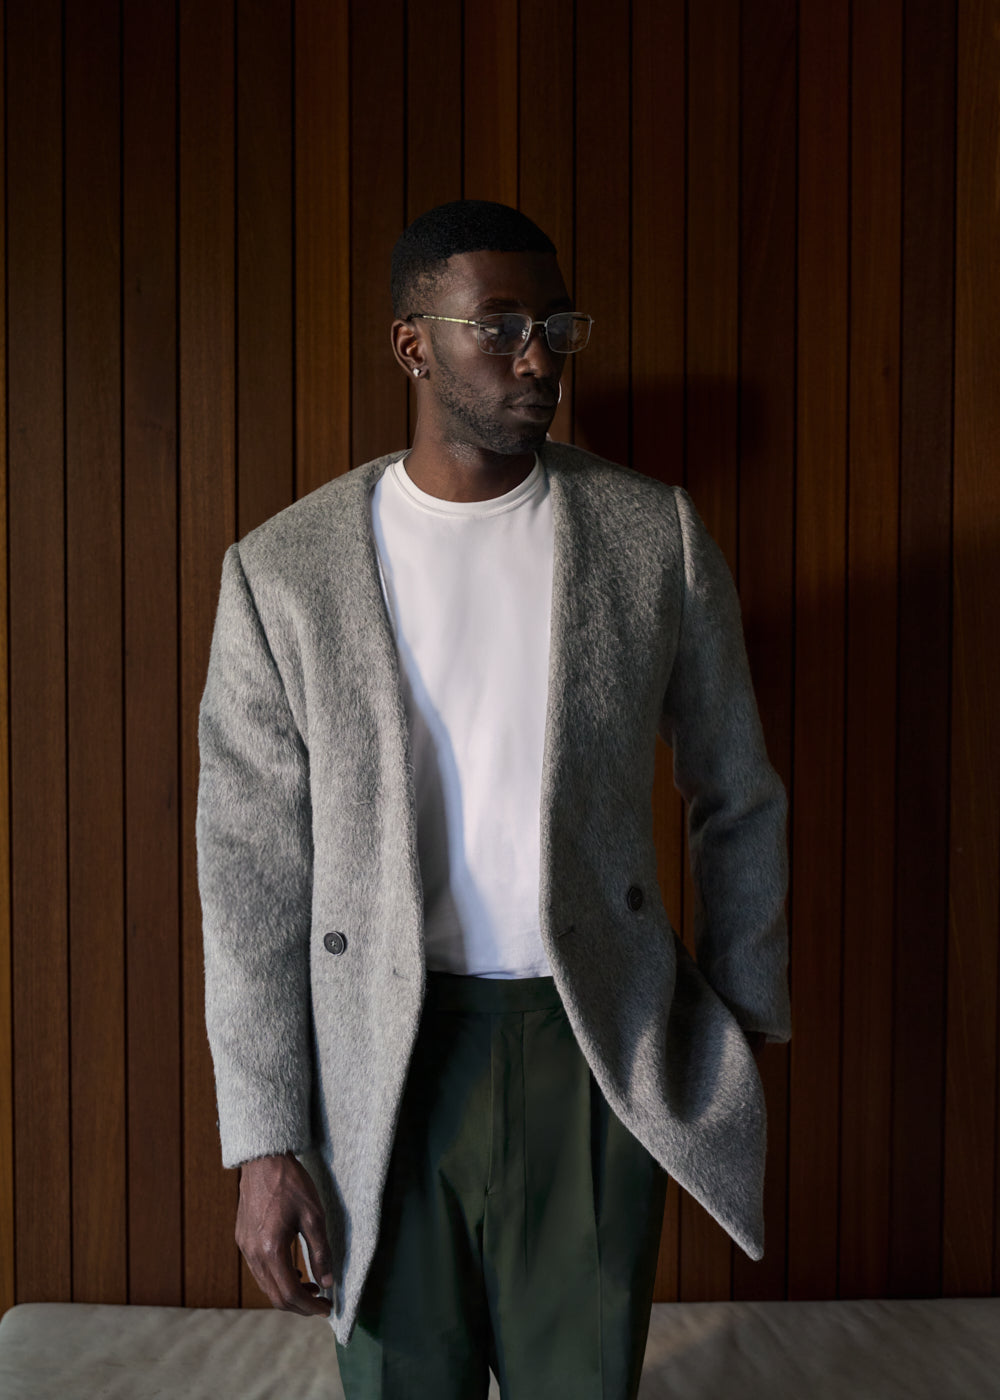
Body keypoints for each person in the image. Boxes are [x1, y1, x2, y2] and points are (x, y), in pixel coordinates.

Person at [197, 199, 791, 1400]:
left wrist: (729, 1017)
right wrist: (263, 1134)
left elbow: (737, 790)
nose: (539, 357)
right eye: (501, 325)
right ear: (414, 343)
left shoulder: (648, 533)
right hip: (381, 1052)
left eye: (555, 324)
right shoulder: (283, 570)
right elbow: (248, 864)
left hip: (590, 1049)